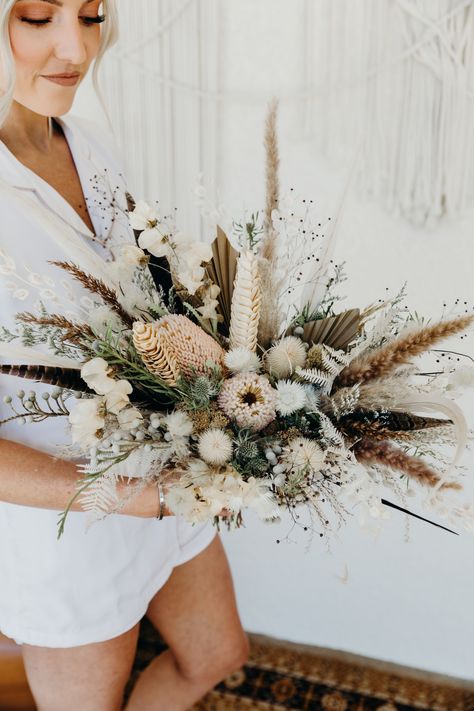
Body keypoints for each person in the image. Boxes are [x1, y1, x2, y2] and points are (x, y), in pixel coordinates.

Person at [0, 1, 250, 710]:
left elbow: (143, 305)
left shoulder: (87, 142)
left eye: (90, 14)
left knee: (217, 653)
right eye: (36, 17)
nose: (74, 49)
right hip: (68, 523)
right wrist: (135, 497)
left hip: (167, 478)